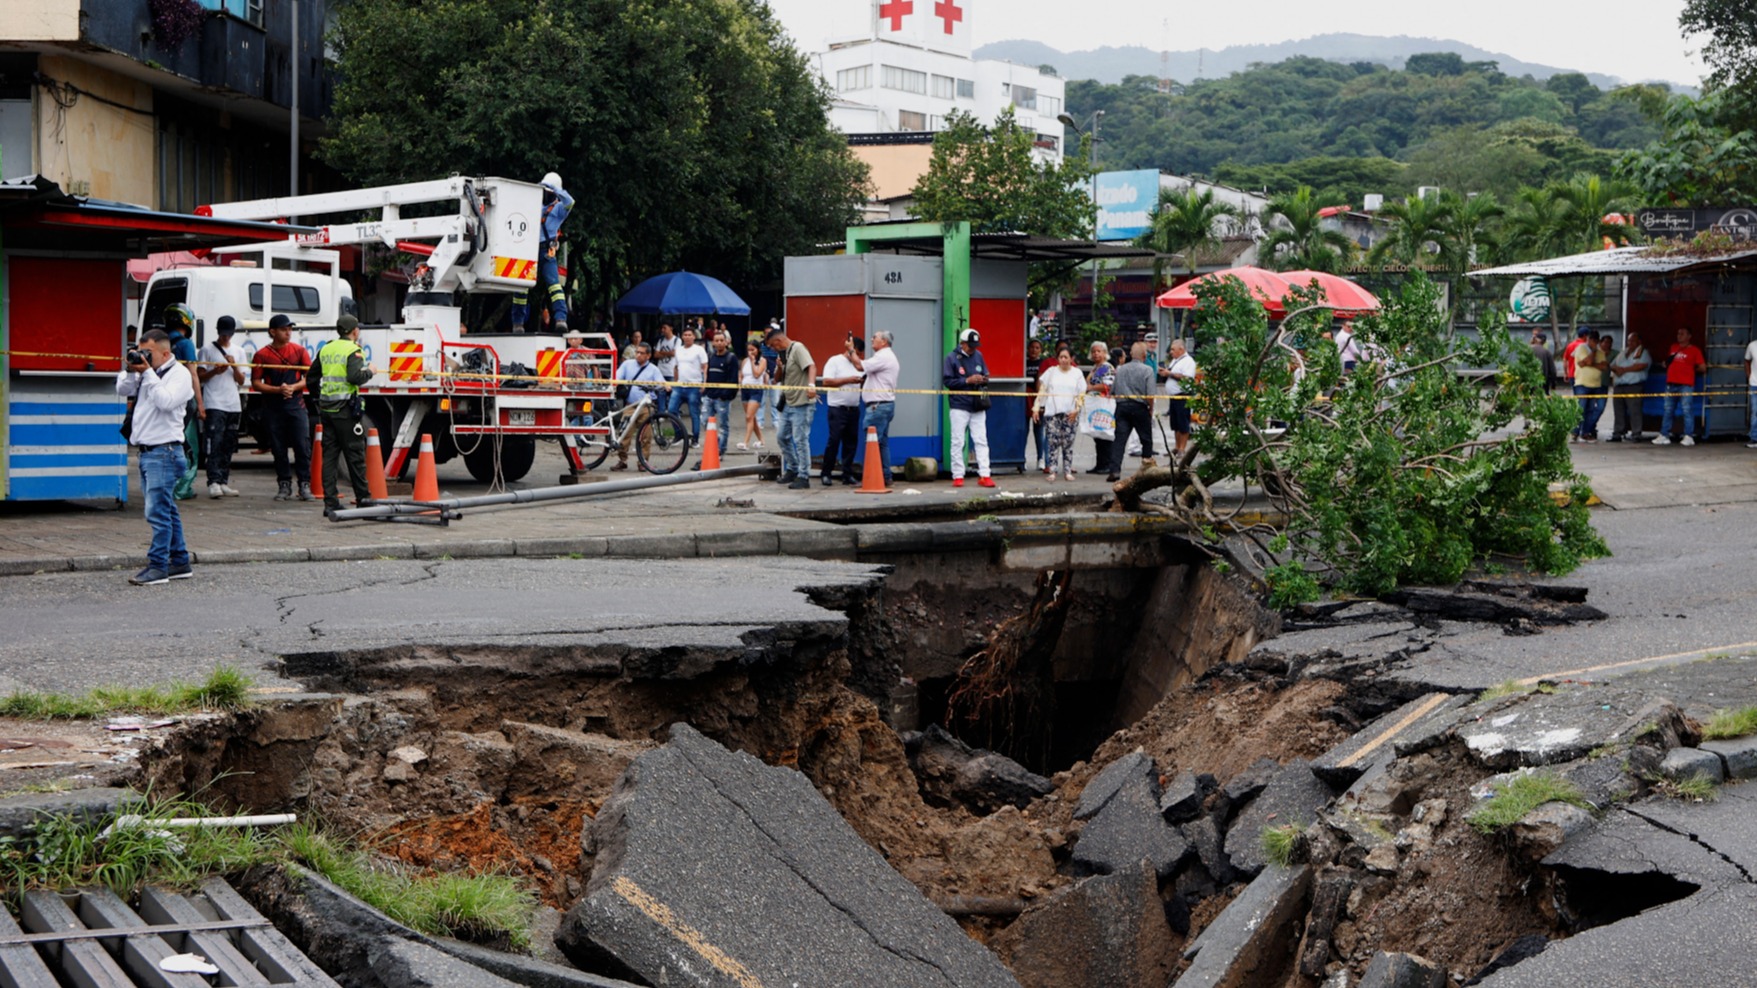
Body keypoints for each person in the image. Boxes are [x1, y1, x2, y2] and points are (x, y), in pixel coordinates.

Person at [116, 329, 194, 585]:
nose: (143, 357)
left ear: (165, 353)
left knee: (157, 512)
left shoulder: (179, 375)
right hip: (149, 452)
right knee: (167, 510)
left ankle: (158, 566)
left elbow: (165, 402)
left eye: (148, 353)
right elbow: (121, 388)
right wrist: (131, 369)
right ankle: (180, 562)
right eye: (141, 351)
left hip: (165, 452)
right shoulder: (147, 373)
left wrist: (147, 372)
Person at [308, 315, 375, 515]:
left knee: (329, 457)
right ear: (354, 331)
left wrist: (318, 399)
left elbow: (311, 378)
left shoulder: (326, 349)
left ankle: (330, 503)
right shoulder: (353, 350)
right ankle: (363, 499)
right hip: (345, 411)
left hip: (327, 410)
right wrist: (370, 371)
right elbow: (355, 377)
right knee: (355, 455)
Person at [253, 314, 314, 500]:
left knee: (302, 447)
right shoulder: (262, 354)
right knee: (278, 449)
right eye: (284, 329)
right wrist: (278, 390)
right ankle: (284, 485)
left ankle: (304, 485)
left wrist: (293, 388)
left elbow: (309, 378)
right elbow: (256, 383)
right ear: (272, 332)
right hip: (273, 408)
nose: (288, 333)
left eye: (290, 329)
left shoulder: (300, 351)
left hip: (297, 406)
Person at [511, 172, 573, 333]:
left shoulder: (559, 208)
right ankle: (518, 324)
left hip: (546, 251)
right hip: (528, 250)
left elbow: (570, 201)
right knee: (521, 287)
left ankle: (560, 319)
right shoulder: (533, 205)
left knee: (554, 287)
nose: (545, 194)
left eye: (548, 191)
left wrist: (555, 189)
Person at [197, 315, 246, 497]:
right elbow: (200, 376)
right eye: (223, 334)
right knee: (214, 441)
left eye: (229, 334)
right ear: (218, 332)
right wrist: (215, 371)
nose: (226, 338)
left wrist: (234, 367)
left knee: (229, 443)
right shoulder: (207, 350)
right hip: (214, 401)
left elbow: (241, 380)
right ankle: (213, 481)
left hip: (233, 402)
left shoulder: (239, 351)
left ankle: (224, 480)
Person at [161, 303, 205, 500]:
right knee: (190, 446)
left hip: (165, 400)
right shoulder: (186, 344)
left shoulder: (161, 343)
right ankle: (182, 488)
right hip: (184, 402)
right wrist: (201, 404)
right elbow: (193, 374)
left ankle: (166, 485)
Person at [943, 328, 995, 489]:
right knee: (958, 440)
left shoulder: (978, 356)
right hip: (959, 404)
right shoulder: (951, 358)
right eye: (970, 346)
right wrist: (967, 381)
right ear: (962, 344)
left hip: (977, 404)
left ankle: (985, 474)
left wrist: (983, 378)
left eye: (975, 345)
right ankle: (958, 475)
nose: (973, 349)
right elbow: (947, 381)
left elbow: (986, 373)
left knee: (981, 440)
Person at [769, 324, 817, 490]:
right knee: (782, 436)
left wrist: (811, 385)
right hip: (788, 402)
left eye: (772, 346)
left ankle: (804, 475)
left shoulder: (798, 348)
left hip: (802, 403)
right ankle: (793, 468)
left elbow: (811, 366)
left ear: (778, 341)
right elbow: (776, 379)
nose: (773, 350)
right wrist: (780, 367)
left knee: (800, 439)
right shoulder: (783, 355)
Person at [1032, 344, 1086, 481]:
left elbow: (1081, 393)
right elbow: (1042, 390)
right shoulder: (1051, 372)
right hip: (1052, 413)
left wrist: (1077, 408)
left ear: (1071, 359)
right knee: (1052, 442)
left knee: (1068, 443)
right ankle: (1052, 471)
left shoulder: (1077, 374)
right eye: (1061, 357)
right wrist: (1036, 408)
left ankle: (1067, 470)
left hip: (1070, 413)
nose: (1063, 360)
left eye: (1065, 357)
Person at [1107, 340, 1158, 481]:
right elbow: (1150, 394)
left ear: (1130, 354)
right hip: (1139, 407)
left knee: (1119, 440)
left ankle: (1115, 470)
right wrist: (1151, 409)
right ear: (1144, 355)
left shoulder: (1121, 369)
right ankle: (1147, 469)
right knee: (1146, 439)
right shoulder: (1147, 370)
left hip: (1122, 407)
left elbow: (1113, 390)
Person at [819, 335, 866, 486]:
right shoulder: (834, 361)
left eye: (859, 355)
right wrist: (848, 380)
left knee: (851, 442)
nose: (857, 357)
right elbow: (826, 382)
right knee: (834, 441)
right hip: (837, 408)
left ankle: (847, 474)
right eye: (856, 353)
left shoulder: (859, 366)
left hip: (853, 408)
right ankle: (826, 473)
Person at [611, 343, 666, 470]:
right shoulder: (627, 364)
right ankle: (622, 460)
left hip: (646, 408)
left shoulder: (654, 369)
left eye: (642, 353)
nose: (638, 355)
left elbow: (662, 384)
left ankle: (643, 462)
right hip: (630, 406)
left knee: (646, 437)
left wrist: (665, 386)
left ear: (648, 355)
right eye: (637, 352)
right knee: (624, 435)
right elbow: (617, 377)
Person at [858, 330, 899, 488]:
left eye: (875, 337)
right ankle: (885, 476)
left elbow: (859, 365)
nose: (871, 339)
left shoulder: (883, 356)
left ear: (884, 342)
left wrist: (851, 351)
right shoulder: (888, 356)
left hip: (878, 406)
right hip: (884, 405)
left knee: (872, 442)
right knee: (881, 443)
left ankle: (873, 478)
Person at [1656, 326, 1707, 446]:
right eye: (1678, 333)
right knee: (1668, 410)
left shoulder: (1695, 350)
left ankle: (1688, 435)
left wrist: (1689, 369)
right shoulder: (1673, 348)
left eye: (1682, 334)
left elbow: (1703, 367)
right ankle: (1664, 434)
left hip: (1686, 384)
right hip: (1671, 383)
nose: (1679, 336)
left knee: (1687, 410)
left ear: (1689, 336)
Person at [702, 330, 739, 461]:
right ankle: (715, 443)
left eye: (721, 340)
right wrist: (706, 389)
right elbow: (709, 374)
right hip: (709, 396)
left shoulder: (731, 358)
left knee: (723, 425)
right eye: (716, 340)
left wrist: (726, 395)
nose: (718, 343)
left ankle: (720, 450)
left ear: (726, 342)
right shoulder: (711, 356)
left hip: (722, 399)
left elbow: (734, 379)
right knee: (705, 421)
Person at [1607, 332, 1649, 443]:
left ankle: (1636, 433)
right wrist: (1617, 370)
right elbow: (1612, 365)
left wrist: (1624, 370)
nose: (1630, 343)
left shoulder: (1642, 352)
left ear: (1639, 342)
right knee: (1618, 410)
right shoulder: (1623, 352)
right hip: (1619, 385)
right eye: (1629, 341)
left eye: (1633, 341)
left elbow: (1641, 365)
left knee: (1634, 410)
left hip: (1633, 386)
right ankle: (1618, 433)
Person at [669, 326, 708, 437]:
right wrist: (675, 382)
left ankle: (695, 438)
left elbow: (705, 367)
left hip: (694, 386)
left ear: (694, 337)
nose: (687, 337)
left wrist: (704, 383)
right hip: (679, 386)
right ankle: (679, 434)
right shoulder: (679, 350)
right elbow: (676, 367)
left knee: (694, 413)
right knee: (671, 410)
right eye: (685, 335)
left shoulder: (699, 350)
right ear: (682, 337)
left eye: (689, 335)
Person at [1162, 338, 1198, 456]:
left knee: (1183, 423)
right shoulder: (1176, 360)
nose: (1171, 352)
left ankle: (1182, 448)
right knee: (1175, 424)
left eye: (1173, 349)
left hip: (1183, 396)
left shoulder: (1188, 361)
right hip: (1174, 397)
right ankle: (1177, 447)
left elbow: (1187, 378)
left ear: (1181, 349)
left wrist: (1170, 374)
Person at [1571, 330, 1608, 442]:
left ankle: (1585, 433)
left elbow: (1604, 367)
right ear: (1589, 340)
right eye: (1592, 341)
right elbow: (1585, 362)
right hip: (1582, 383)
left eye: (1596, 341)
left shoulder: (1600, 352)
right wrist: (1593, 353)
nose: (1594, 343)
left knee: (1591, 410)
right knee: (1580, 409)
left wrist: (1593, 360)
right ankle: (1574, 432)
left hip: (1596, 384)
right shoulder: (1582, 348)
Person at [1086, 341, 1115, 474]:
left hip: (1104, 405)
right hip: (1095, 405)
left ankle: (1106, 464)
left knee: (1104, 435)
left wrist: (1091, 387)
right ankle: (1100, 464)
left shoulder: (1105, 367)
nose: (1096, 354)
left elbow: (1107, 385)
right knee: (1097, 435)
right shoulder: (1095, 367)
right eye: (1094, 351)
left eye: (1099, 351)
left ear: (1105, 353)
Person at [738, 339, 768, 451]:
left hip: (756, 390)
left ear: (758, 349)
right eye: (748, 350)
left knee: (749, 417)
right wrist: (740, 382)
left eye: (753, 350)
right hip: (745, 390)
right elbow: (741, 374)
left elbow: (756, 374)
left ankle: (746, 442)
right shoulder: (744, 361)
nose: (750, 352)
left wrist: (752, 361)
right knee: (751, 417)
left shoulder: (762, 361)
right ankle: (761, 440)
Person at [1025, 339, 1046, 471]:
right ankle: (1022, 458)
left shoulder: (1042, 363)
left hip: (1038, 398)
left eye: (1037, 348)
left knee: (1039, 430)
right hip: (1025, 398)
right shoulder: (1023, 362)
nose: (1034, 350)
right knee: (1024, 430)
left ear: (1041, 350)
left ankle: (1041, 458)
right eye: (1032, 347)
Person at [759, 321, 783, 433]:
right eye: (766, 333)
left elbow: (778, 360)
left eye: (770, 333)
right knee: (762, 400)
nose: (768, 335)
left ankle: (776, 421)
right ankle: (760, 421)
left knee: (775, 400)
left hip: (775, 375)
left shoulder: (776, 347)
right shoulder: (760, 346)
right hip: (762, 375)